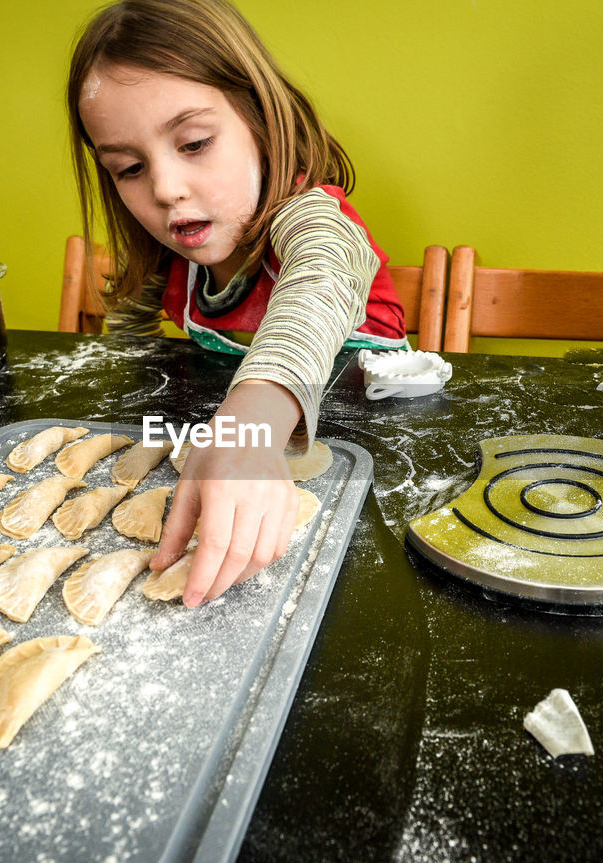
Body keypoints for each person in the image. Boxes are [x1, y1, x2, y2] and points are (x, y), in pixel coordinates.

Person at [66, 0, 406, 605]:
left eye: (194, 143)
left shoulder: (316, 226)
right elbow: (130, 346)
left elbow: (317, 291)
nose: (167, 189)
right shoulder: (173, 258)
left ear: (260, 120)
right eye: (129, 167)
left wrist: (250, 425)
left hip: (377, 481)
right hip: (239, 462)